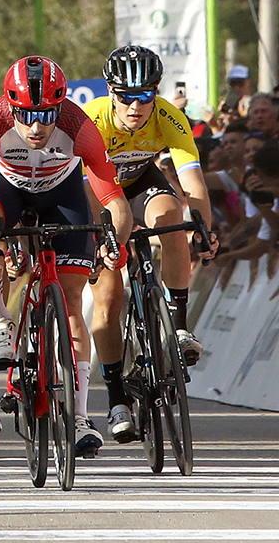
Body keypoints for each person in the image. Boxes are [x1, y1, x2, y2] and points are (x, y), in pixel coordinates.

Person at [0, 56, 132, 457]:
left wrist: (115, 243)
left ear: (60, 106)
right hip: (8, 191)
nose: (37, 127)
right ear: (10, 106)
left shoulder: (78, 126)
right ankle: (1, 320)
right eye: (27, 116)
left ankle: (80, 416)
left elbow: (116, 202)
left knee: (72, 298)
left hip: (62, 192)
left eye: (46, 115)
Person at [83, 46, 219, 443]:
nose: (135, 105)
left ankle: (178, 327)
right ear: (110, 92)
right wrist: (99, 238)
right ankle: (115, 397)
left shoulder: (168, 117)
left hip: (141, 184)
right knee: (108, 295)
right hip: (97, 192)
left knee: (173, 217)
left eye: (144, 96)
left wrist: (204, 230)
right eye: (125, 96)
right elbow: (81, 190)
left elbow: (192, 182)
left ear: (155, 93)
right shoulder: (92, 121)